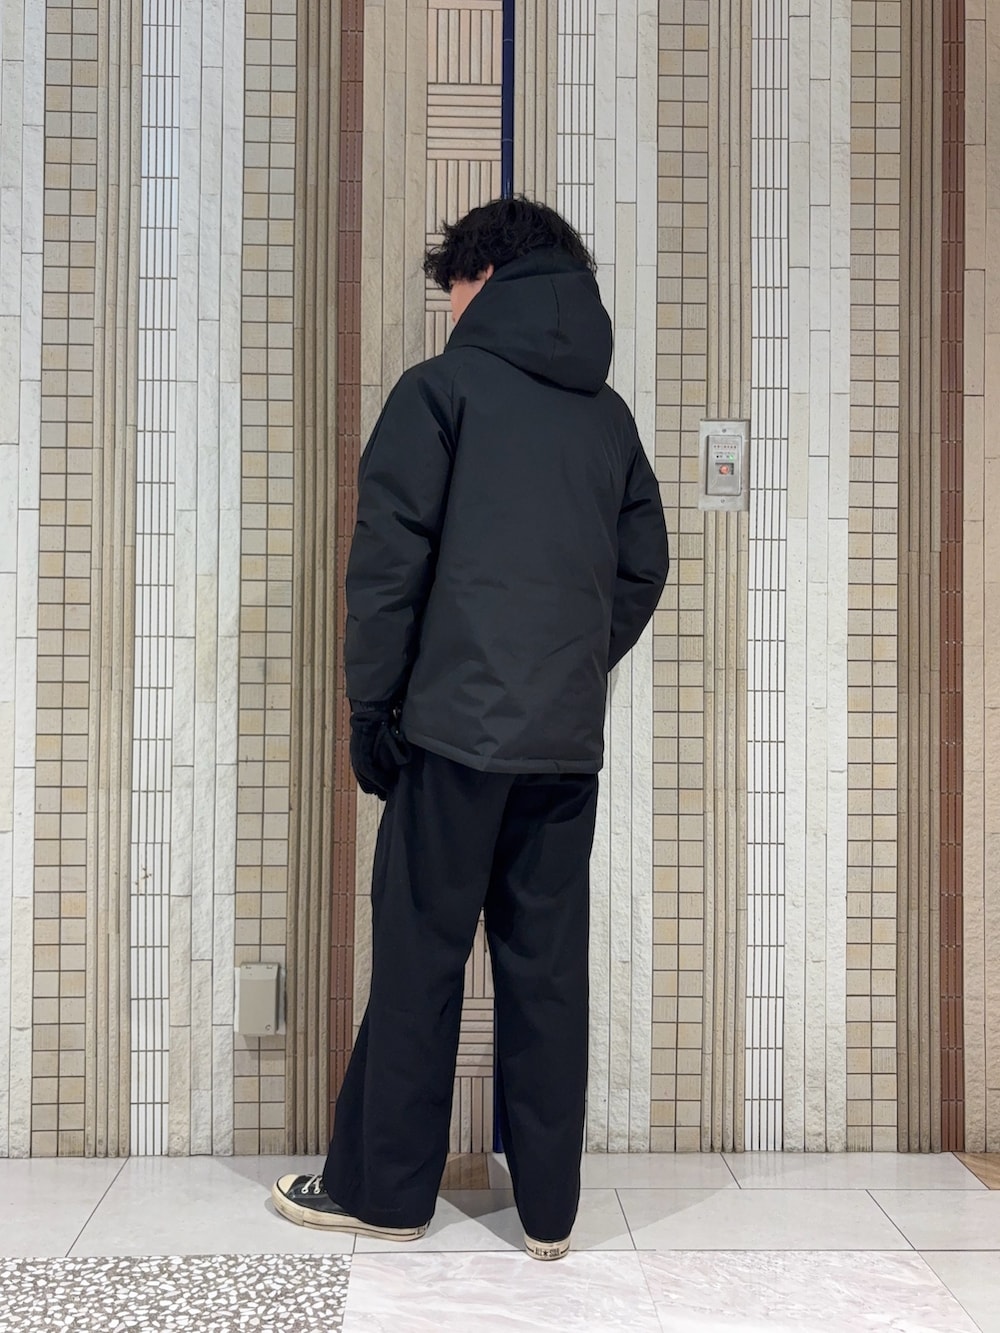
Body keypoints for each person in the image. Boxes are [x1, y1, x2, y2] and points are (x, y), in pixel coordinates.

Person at [272, 197, 669, 1260]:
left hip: (447, 739)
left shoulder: (440, 391)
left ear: (485, 274)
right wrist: (566, 666)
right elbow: (642, 567)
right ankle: (548, 1216)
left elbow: (386, 569)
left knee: (420, 959)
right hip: (562, 745)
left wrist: (374, 709)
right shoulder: (608, 417)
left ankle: (384, 1195)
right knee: (547, 970)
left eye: (451, 285)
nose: (448, 307)